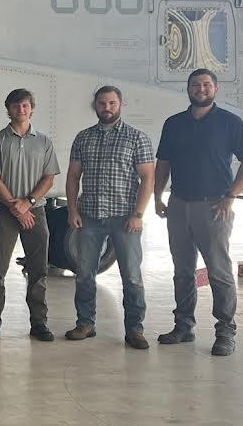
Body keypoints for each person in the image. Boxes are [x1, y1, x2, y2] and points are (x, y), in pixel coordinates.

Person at [153, 69, 243, 357]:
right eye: (195, 85)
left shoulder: (229, 123)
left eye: (205, 85)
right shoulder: (174, 124)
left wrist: (231, 196)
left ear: (215, 88)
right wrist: (157, 196)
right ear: (187, 89)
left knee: (219, 272)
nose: (200, 89)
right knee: (182, 272)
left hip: (213, 207)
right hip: (178, 205)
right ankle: (184, 326)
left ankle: (226, 331)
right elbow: (163, 163)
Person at [64, 86, 156, 349]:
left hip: (125, 219)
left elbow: (148, 178)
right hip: (89, 216)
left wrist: (138, 214)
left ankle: (135, 330)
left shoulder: (136, 138)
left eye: (112, 103)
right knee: (84, 274)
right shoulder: (83, 138)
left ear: (121, 105)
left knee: (132, 276)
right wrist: (72, 210)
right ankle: (85, 323)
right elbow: (73, 177)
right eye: (102, 103)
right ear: (95, 106)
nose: (107, 107)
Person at [0, 89, 60, 343]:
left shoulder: (44, 142)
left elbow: (49, 177)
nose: (21, 110)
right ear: (8, 109)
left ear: (32, 109)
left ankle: (39, 324)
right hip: (6, 211)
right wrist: (16, 207)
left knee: (38, 270)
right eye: (16, 106)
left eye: (26, 106)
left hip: (35, 210)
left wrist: (28, 203)